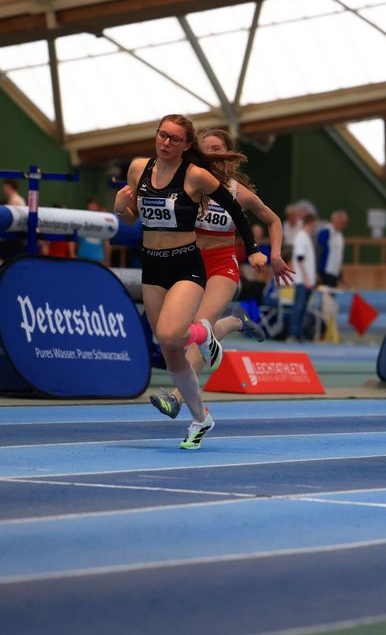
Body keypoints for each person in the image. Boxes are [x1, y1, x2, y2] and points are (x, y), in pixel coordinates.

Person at [114, 114, 269, 449]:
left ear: (186, 145)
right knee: (169, 348)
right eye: (162, 135)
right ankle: (201, 418)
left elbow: (236, 209)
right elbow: (132, 218)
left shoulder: (195, 175)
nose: (166, 142)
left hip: (186, 264)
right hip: (152, 266)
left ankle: (203, 333)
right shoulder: (138, 169)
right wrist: (120, 208)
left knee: (172, 334)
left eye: (174, 139)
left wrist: (254, 250)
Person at [149, 127, 294, 419]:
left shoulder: (237, 193)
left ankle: (177, 398)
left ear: (229, 155)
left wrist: (275, 255)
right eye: (205, 150)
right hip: (187, 263)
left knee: (200, 325)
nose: (211, 154)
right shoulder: (187, 182)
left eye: (217, 149)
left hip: (221, 265)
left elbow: (273, 220)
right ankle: (235, 321)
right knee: (176, 332)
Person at [289, 211, 317, 342]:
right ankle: (293, 333)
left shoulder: (307, 237)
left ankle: (298, 333)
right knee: (298, 307)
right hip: (302, 280)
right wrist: (305, 278)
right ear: (310, 223)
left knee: (303, 308)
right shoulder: (301, 237)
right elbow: (300, 259)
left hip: (307, 279)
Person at [317, 210, 348, 288]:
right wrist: (317, 271)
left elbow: (337, 256)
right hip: (325, 271)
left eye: (345, 223)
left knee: (332, 294)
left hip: (334, 272)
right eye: (342, 222)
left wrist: (340, 274)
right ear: (335, 221)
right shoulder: (326, 232)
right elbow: (319, 250)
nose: (344, 225)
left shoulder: (340, 235)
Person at [77, 198, 111, 265]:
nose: (92, 212)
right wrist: (73, 254)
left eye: (94, 210)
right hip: (82, 258)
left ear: (98, 210)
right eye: (90, 210)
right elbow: (75, 240)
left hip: (98, 260)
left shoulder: (103, 224)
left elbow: (106, 243)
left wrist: (107, 260)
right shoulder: (82, 222)